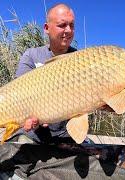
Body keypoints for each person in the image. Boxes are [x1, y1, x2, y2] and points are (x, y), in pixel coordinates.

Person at [11, 3, 79, 144]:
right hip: (32, 132)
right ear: (47, 28)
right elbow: (17, 95)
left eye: (72, 25)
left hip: (64, 133)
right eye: (62, 25)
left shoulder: (80, 59)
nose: (68, 30)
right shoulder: (32, 55)